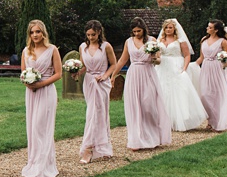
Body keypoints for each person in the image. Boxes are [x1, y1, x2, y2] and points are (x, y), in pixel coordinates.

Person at [108, 19, 171, 151]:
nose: (136, 34)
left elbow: (159, 60)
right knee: (134, 106)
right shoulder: (128, 42)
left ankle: (153, 137)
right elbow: (122, 60)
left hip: (148, 74)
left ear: (144, 29)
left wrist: (155, 58)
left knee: (149, 106)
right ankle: (136, 139)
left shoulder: (152, 41)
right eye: (134, 31)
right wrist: (113, 75)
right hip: (134, 75)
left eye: (139, 31)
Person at [19, 20, 62, 177]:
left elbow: (58, 74)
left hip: (46, 91)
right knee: (32, 128)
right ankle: (35, 163)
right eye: (32, 32)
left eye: (38, 31)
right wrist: (28, 83)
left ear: (43, 33)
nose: (35, 35)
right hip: (31, 93)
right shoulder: (26, 51)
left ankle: (42, 168)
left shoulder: (52, 50)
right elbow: (23, 73)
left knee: (41, 127)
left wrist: (41, 84)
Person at [153, 17, 209, 132]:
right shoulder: (159, 41)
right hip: (162, 66)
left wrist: (184, 67)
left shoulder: (180, 41)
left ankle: (179, 119)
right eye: (166, 28)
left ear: (174, 29)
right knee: (162, 90)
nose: (168, 30)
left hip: (176, 65)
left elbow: (187, 55)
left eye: (170, 28)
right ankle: (163, 120)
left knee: (178, 91)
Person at [77, 20, 116, 163]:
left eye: (93, 34)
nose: (90, 37)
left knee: (98, 114)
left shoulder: (106, 47)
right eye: (88, 35)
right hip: (88, 82)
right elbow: (83, 66)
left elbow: (113, 64)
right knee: (92, 113)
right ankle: (99, 147)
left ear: (99, 32)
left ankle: (89, 149)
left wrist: (105, 76)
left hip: (102, 83)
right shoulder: (83, 47)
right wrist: (76, 72)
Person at [194, 19, 227, 131]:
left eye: (210, 27)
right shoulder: (203, 40)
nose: (207, 28)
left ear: (216, 30)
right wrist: (192, 66)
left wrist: (223, 65)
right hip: (206, 68)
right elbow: (201, 57)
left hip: (217, 69)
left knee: (217, 95)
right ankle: (211, 119)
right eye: (208, 26)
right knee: (204, 95)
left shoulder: (223, 42)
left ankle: (215, 122)